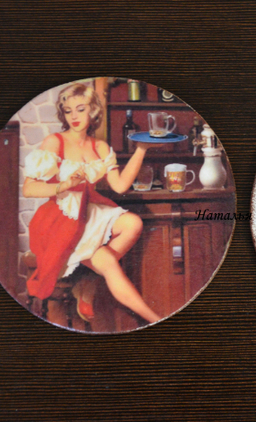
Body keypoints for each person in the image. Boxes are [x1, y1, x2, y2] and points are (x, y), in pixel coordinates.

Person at [22, 83, 160, 324]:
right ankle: (154, 319)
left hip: (89, 212)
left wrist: (141, 149)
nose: (74, 116)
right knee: (107, 263)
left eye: (80, 109)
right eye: (68, 111)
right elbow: (29, 188)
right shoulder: (55, 142)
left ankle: (90, 278)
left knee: (132, 223)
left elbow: (119, 186)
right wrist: (64, 185)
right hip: (61, 217)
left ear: (93, 111)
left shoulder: (100, 146)